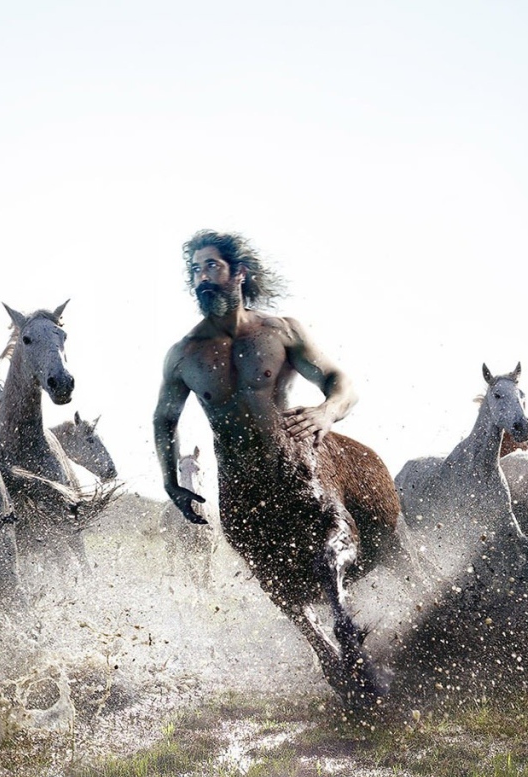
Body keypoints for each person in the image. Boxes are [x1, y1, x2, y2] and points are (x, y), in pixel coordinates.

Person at [153, 230, 403, 703]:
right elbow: (164, 419)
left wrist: (327, 411)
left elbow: (339, 379)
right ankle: (324, 653)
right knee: (275, 581)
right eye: (196, 271)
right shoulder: (184, 355)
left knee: (331, 550)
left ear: (239, 273)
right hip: (239, 489)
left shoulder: (281, 332)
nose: (203, 278)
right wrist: (170, 480)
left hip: (296, 464)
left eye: (212, 267)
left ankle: (344, 624)